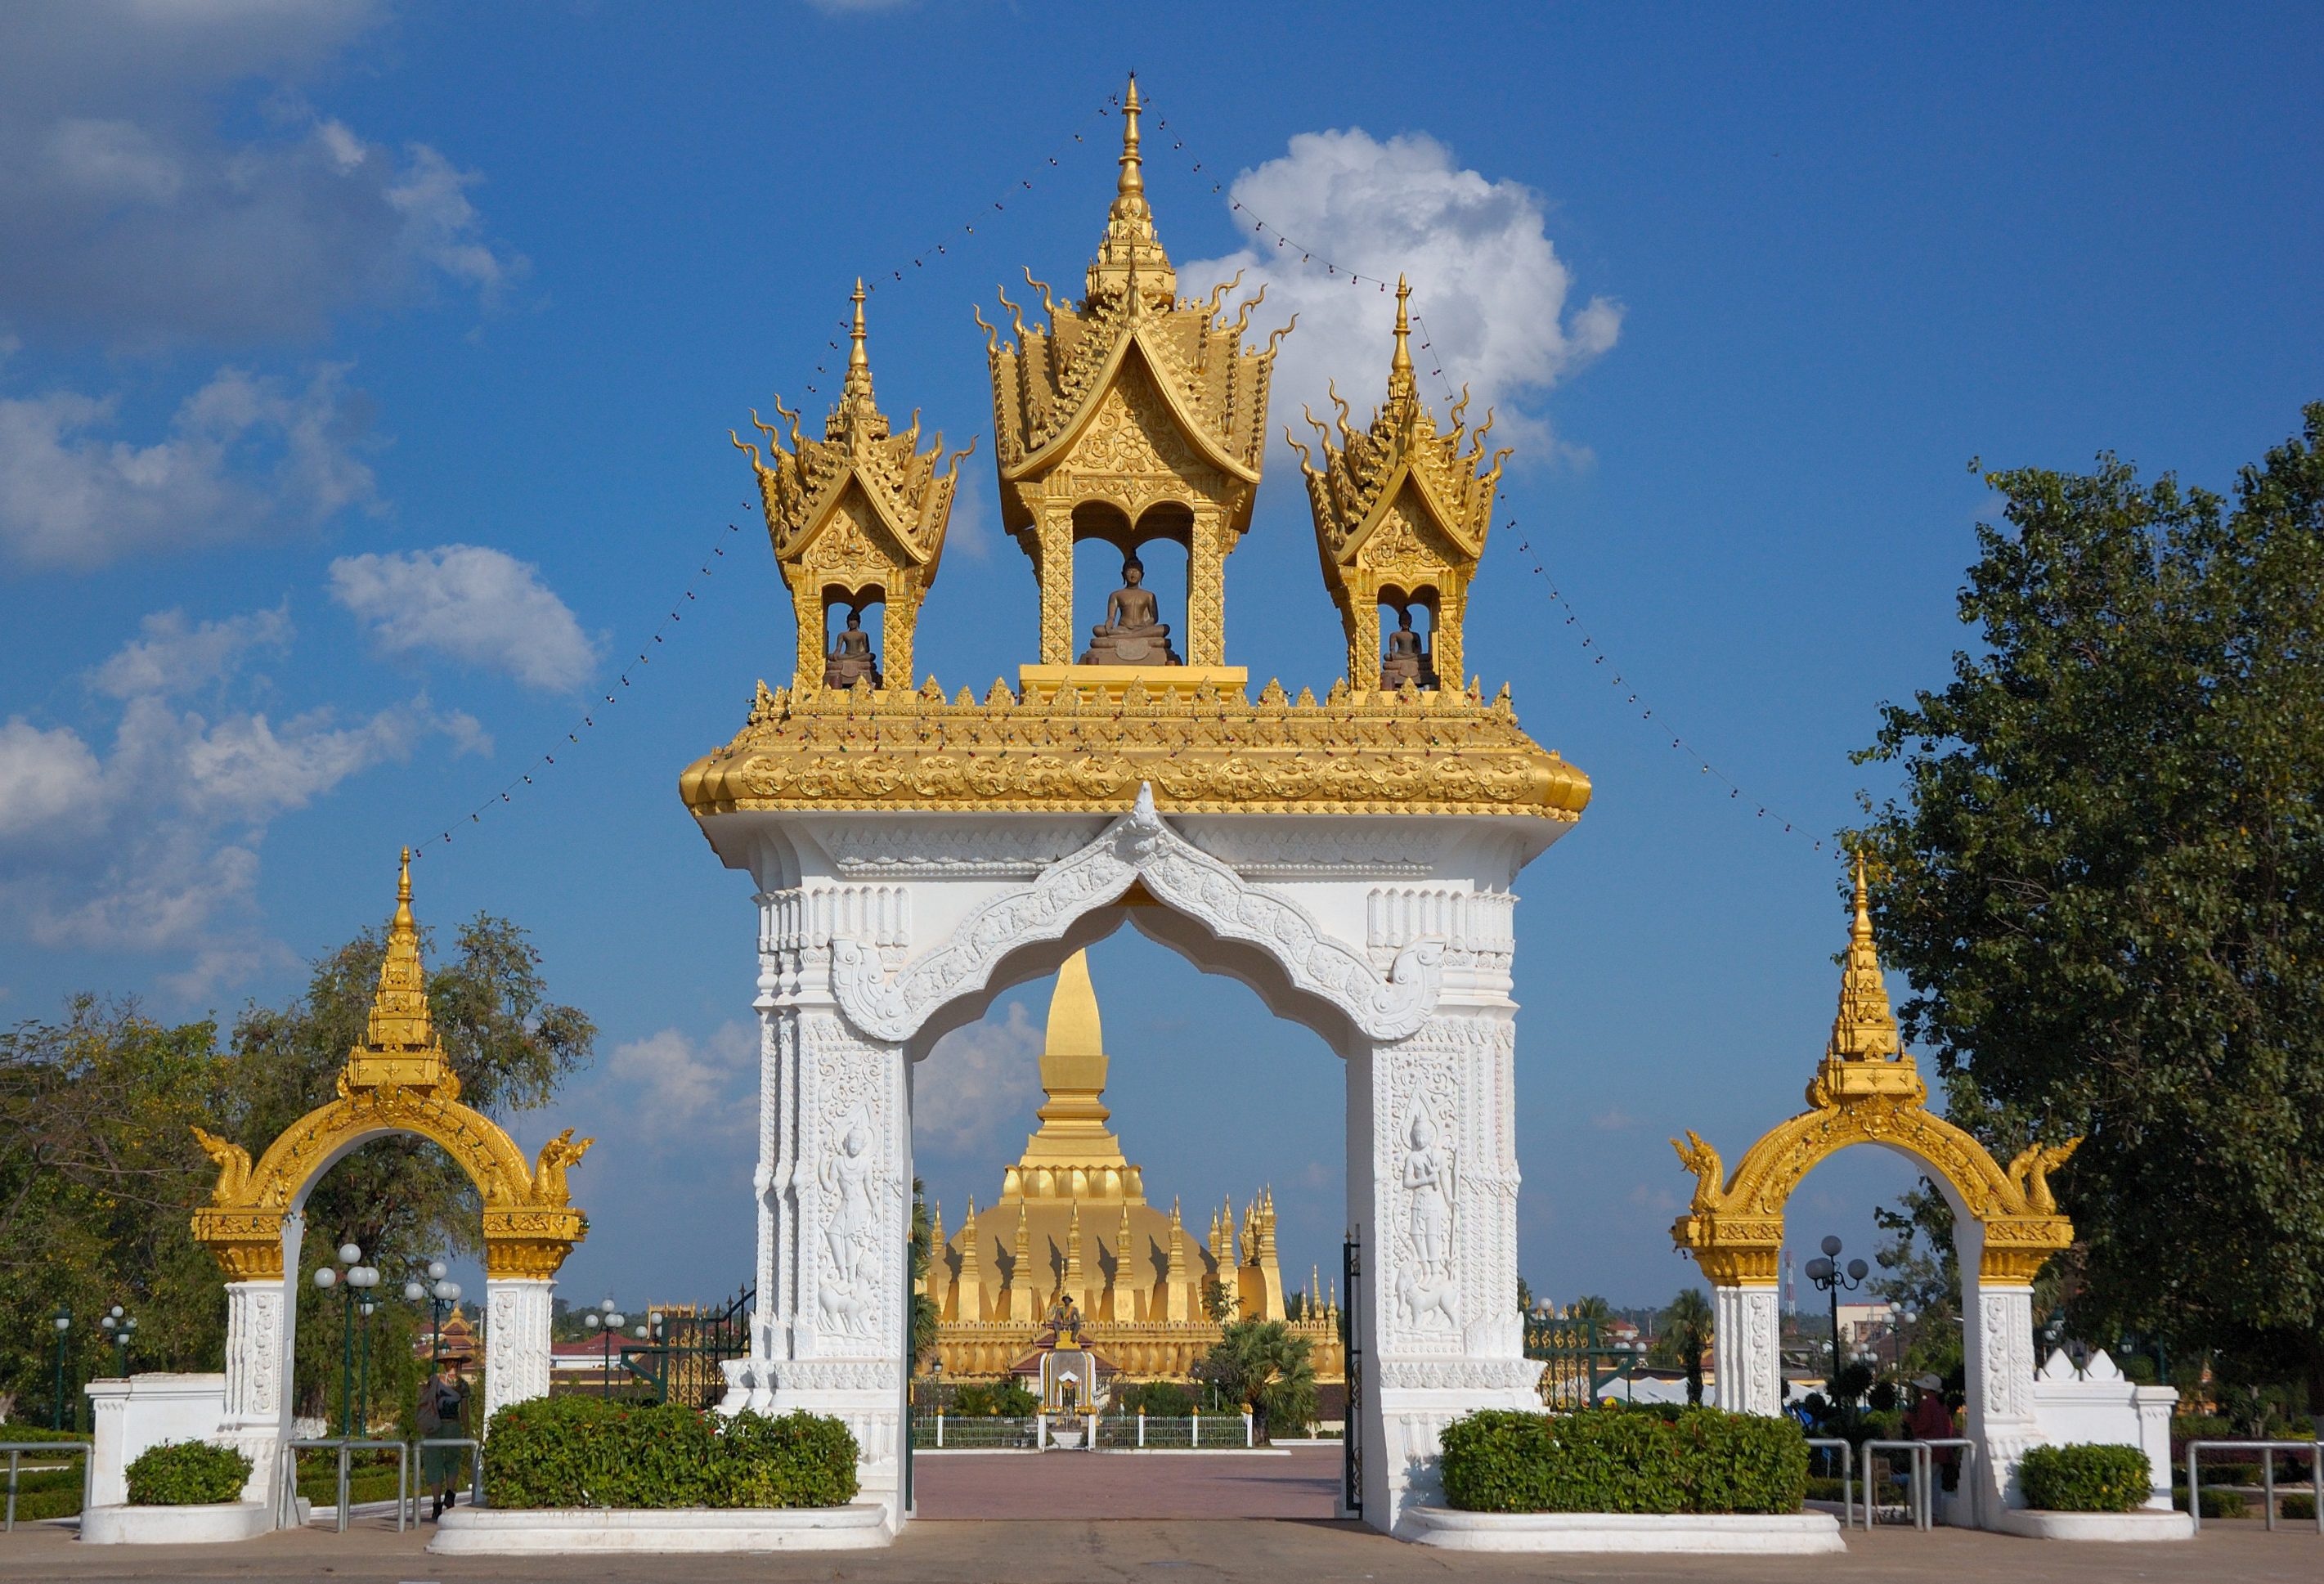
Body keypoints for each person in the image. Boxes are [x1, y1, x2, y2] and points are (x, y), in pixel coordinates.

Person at [417, 1356, 471, 1519]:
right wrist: (467, 1431)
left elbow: (425, 1401)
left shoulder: (434, 1380)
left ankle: (436, 1504)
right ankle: (450, 1494)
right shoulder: (462, 1385)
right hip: (452, 1425)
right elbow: (464, 1412)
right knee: (453, 1460)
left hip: (434, 1426)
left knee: (434, 1462)